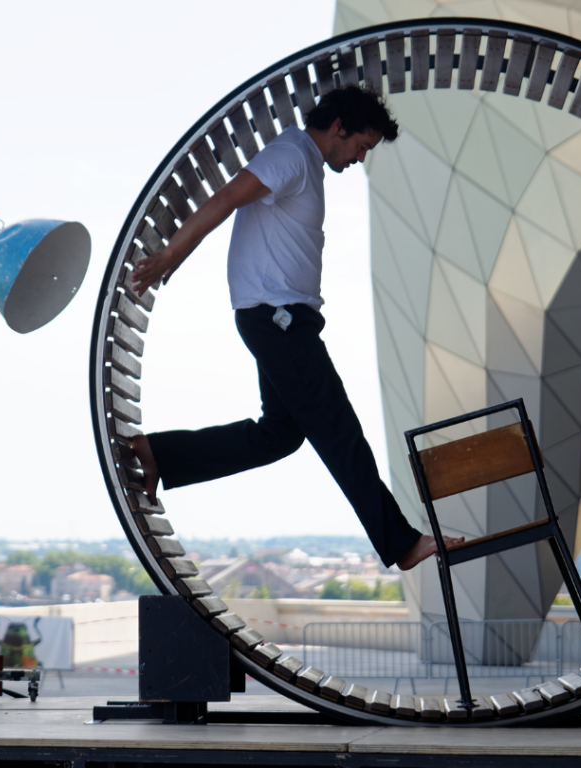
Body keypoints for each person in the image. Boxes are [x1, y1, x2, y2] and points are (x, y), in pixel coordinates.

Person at [129, 85, 462, 571]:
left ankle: (160, 453)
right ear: (338, 127)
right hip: (279, 320)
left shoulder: (303, 162)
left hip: (282, 320)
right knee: (338, 428)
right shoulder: (292, 155)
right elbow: (226, 196)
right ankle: (402, 542)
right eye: (360, 147)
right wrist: (169, 256)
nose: (358, 158)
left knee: (280, 436)